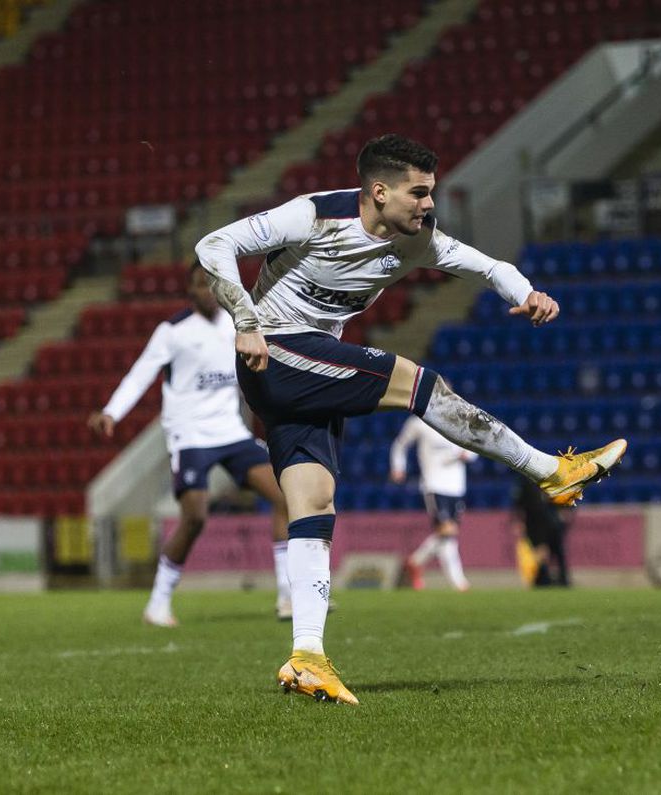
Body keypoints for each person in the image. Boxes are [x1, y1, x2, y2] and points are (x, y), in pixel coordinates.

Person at [194, 133, 627, 705]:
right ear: (378, 191)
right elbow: (213, 244)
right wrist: (245, 319)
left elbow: (488, 266)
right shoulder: (315, 215)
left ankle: (307, 657)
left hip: (301, 372)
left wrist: (528, 292)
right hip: (273, 350)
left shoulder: (416, 240)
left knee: (315, 503)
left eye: (431, 192)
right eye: (418, 193)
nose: (428, 204)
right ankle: (550, 470)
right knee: (422, 385)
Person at [88, 263, 291, 627]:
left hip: (231, 433)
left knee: (284, 498)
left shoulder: (235, 326)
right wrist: (111, 411)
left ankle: (287, 596)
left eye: (212, 285)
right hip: (190, 436)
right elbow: (140, 374)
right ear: (189, 291)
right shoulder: (173, 332)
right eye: (200, 285)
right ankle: (158, 603)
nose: (208, 292)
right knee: (195, 517)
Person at [389, 415, 476, 591]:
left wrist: (468, 455)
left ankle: (414, 562)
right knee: (447, 532)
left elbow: (475, 447)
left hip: (457, 487)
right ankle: (459, 583)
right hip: (434, 484)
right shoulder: (419, 422)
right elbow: (400, 444)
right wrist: (398, 467)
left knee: (446, 534)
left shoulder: (459, 420)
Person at [511, 475, 573, 587]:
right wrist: (518, 520)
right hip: (534, 522)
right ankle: (543, 578)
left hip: (551, 520)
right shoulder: (527, 481)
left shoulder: (551, 477)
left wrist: (565, 510)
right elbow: (519, 503)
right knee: (540, 551)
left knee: (557, 550)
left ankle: (562, 578)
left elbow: (565, 495)